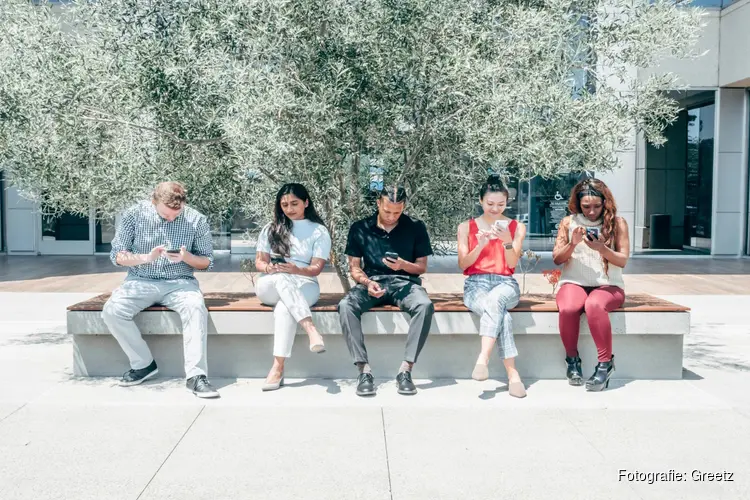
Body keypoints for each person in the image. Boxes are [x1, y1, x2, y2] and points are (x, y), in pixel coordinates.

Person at [102, 181, 219, 398]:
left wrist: (186, 257)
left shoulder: (197, 220)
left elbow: (207, 262)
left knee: (195, 307)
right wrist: (146, 258)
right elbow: (117, 256)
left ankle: (196, 376)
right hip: (140, 280)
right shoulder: (134, 215)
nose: (172, 219)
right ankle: (143, 364)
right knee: (112, 310)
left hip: (180, 282)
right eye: (166, 216)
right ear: (153, 201)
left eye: (177, 214)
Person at [338, 186, 435, 397]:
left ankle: (406, 370)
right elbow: (354, 267)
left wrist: (402, 265)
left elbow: (421, 268)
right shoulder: (360, 228)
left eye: (397, 212)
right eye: (387, 211)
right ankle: (363, 371)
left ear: (404, 208)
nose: (392, 217)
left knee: (425, 305)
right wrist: (366, 282)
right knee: (346, 305)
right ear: (378, 204)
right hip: (371, 282)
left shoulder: (416, 227)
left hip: (405, 282)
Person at [552, 178, 629, 391]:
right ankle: (572, 361)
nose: (592, 211)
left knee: (594, 305)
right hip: (573, 282)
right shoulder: (568, 223)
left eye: (597, 206)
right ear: (578, 204)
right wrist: (572, 243)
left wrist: (602, 248)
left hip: (609, 285)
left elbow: (622, 260)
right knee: (568, 307)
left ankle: (605, 364)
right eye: (586, 207)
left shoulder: (617, 223)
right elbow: (558, 259)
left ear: (606, 202)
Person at [254, 183, 332, 391]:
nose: (289, 209)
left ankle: (277, 367)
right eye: (284, 205)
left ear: (306, 202)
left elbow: (316, 268)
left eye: (294, 203)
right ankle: (310, 328)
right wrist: (270, 268)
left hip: (305, 284)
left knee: (284, 308)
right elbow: (260, 262)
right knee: (281, 276)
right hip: (271, 283)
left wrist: (296, 269)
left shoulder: (319, 231)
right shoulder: (271, 228)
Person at [457, 174, 528, 398]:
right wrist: (480, 245)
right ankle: (513, 374)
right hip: (475, 284)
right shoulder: (465, 227)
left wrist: (507, 240)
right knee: (502, 316)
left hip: (505, 283)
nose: (495, 209)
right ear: (480, 201)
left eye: (501, 204)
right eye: (490, 204)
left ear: (507, 203)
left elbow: (512, 263)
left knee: (496, 300)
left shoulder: (517, 227)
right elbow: (463, 264)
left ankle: (483, 358)